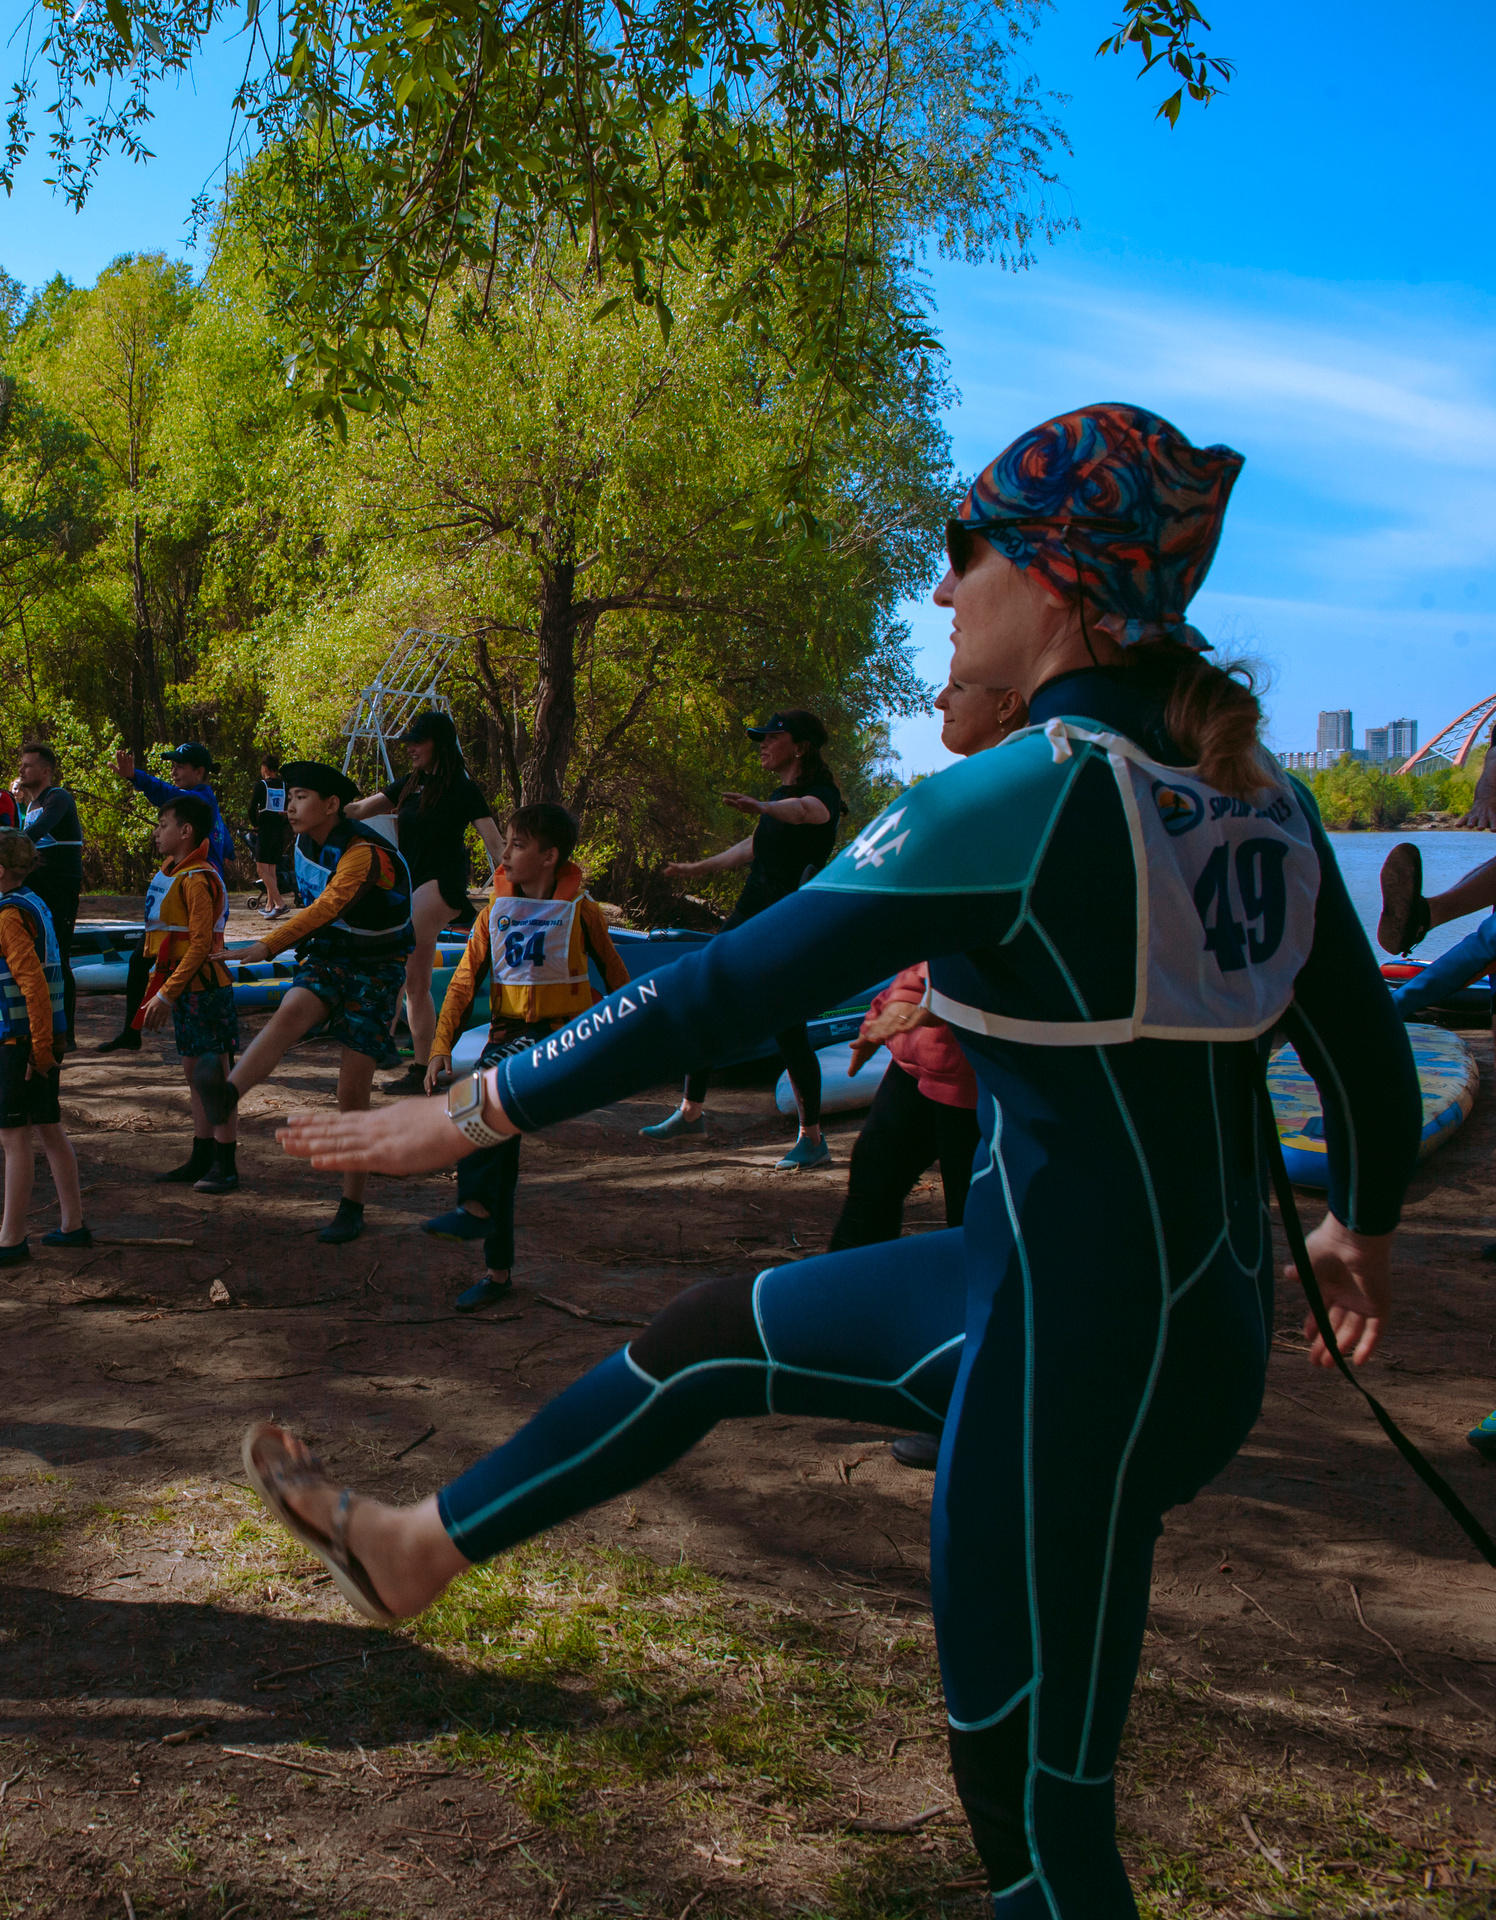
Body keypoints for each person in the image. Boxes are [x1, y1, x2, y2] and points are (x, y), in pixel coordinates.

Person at [252, 404, 1411, 1920]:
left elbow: (720, 988)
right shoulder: (1266, 797)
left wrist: (457, 1115)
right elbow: (1363, 1055)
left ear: (1053, 582)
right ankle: (417, 1547)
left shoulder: (1028, 795)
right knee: (708, 1339)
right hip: (1158, 1325)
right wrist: (1355, 1232)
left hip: (1067, 1363)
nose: (942, 594)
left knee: (1044, 1826)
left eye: (962, 554)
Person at [825, 675, 1025, 1293]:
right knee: (869, 1195)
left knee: (972, 1237)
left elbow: (999, 958)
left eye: (960, 685)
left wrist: (914, 1013)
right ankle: (844, 1323)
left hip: (983, 1082)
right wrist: (885, 1014)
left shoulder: (1023, 803)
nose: (938, 701)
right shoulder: (960, 799)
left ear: (1007, 702)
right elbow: (923, 948)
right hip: (919, 1069)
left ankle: (965, 1366)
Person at [419, 803, 630, 1312]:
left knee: (482, 1089)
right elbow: (464, 982)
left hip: (562, 1033)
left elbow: (619, 978)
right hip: (507, 1033)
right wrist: (440, 1046)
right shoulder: (495, 912)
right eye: (506, 842)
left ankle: (472, 1208)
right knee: (495, 1146)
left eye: (516, 844)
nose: (504, 853)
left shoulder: (581, 912)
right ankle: (497, 1273)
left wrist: (633, 1036)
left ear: (549, 856)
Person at [198, 760, 414, 1243]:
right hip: (332, 953)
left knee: (351, 1091)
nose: (289, 806)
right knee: (288, 1014)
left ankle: (352, 1202)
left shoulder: (364, 854)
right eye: (288, 797)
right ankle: (228, 1094)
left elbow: (328, 905)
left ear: (331, 805)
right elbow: (321, 916)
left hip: (378, 969)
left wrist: (268, 945)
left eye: (299, 797)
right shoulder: (302, 842)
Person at [640, 706, 847, 1168]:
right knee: (702, 995)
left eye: (772, 738)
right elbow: (752, 847)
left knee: (787, 1025)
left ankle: (812, 1140)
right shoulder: (777, 796)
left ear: (800, 745)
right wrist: (698, 868)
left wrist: (763, 807)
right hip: (749, 913)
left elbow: (803, 813)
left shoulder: (822, 796)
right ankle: (691, 1112)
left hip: (787, 923)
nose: (763, 746)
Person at [348, 711, 502, 1094]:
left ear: (440, 743)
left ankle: (394, 1051)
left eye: (418, 741)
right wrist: (317, 809)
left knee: (403, 953)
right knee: (415, 980)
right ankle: (421, 1066)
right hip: (412, 882)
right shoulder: (410, 784)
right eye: (409, 743)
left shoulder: (463, 788)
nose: (411, 748)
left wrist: (517, 894)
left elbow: (494, 841)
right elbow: (357, 811)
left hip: (442, 885)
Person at [0, 829, 90, 1268]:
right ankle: (73, 1223)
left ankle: (11, 1238)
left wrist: (38, 1049)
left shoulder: (8, 916)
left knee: (14, 1137)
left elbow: (32, 983)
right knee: (49, 1127)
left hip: (26, 1045)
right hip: (40, 1038)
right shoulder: (32, 903)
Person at [136, 793, 241, 1193]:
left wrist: (166, 994)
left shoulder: (199, 879)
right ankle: (201, 1156)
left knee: (214, 1077)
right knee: (193, 1074)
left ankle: (226, 1165)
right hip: (184, 993)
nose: (157, 833)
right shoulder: (173, 874)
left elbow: (200, 945)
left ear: (186, 832)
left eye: (164, 826)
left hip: (207, 992)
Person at [99, 743, 235, 1051]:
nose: (173, 771)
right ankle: (133, 1032)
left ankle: (221, 1046)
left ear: (199, 772)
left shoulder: (198, 802)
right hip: (179, 896)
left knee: (206, 963)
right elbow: (227, 851)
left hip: (196, 894)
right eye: (172, 765)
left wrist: (137, 777)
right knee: (141, 959)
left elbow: (166, 796)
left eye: (180, 766)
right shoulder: (205, 807)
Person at [14, 743, 86, 968]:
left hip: (59, 885)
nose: (21, 770)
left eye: (28, 766)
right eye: (21, 765)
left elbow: (34, 833)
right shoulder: (32, 804)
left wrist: (2, 849)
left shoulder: (58, 797)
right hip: (37, 883)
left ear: (46, 771)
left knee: (57, 954)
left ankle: (63, 1001)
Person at [251, 751, 291, 917]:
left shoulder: (262, 786)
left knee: (261, 870)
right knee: (271, 869)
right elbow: (289, 809)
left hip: (266, 831)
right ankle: (270, 905)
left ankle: (280, 904)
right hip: (279, 831)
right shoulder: (284, 786)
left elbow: (252, 808)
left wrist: (256, 824)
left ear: (265, 768)